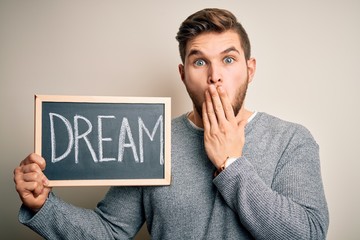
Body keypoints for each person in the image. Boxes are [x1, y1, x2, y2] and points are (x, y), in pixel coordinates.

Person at [14, 8, 329, 239]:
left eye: (229, 60)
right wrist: (43, 206)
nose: (214, 75)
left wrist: (231, 165)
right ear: (183, 74)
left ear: (250, 69)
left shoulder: (291, 139)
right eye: (199, 61)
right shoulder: (153, 140)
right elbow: (109, 231)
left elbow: (309, 234)